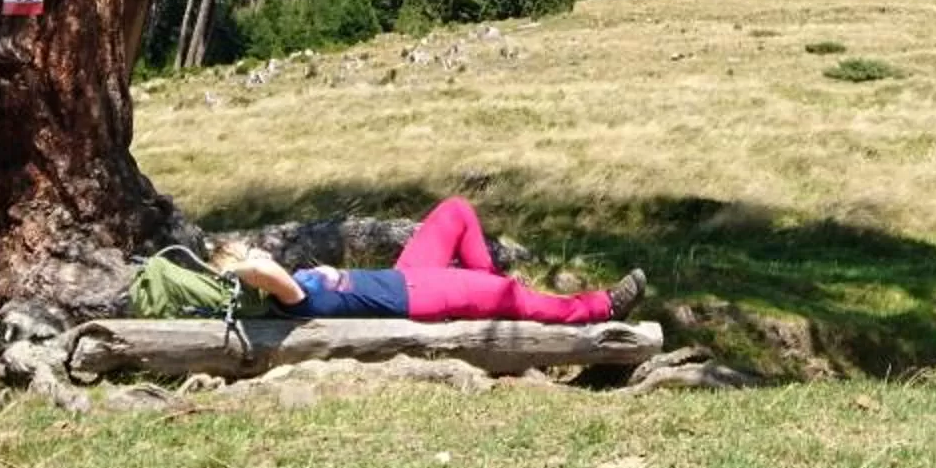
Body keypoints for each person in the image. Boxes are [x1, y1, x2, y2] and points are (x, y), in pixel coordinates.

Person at [217, 196, 647, 325]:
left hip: (407, 277)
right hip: (416, 297)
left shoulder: (295, 288)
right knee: (512, 294)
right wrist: (235, 268)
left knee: (456, 210)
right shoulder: (289, 299)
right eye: (247, 253)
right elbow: (264, 271)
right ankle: (604, 306)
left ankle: (489, 295)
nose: (257, 251)